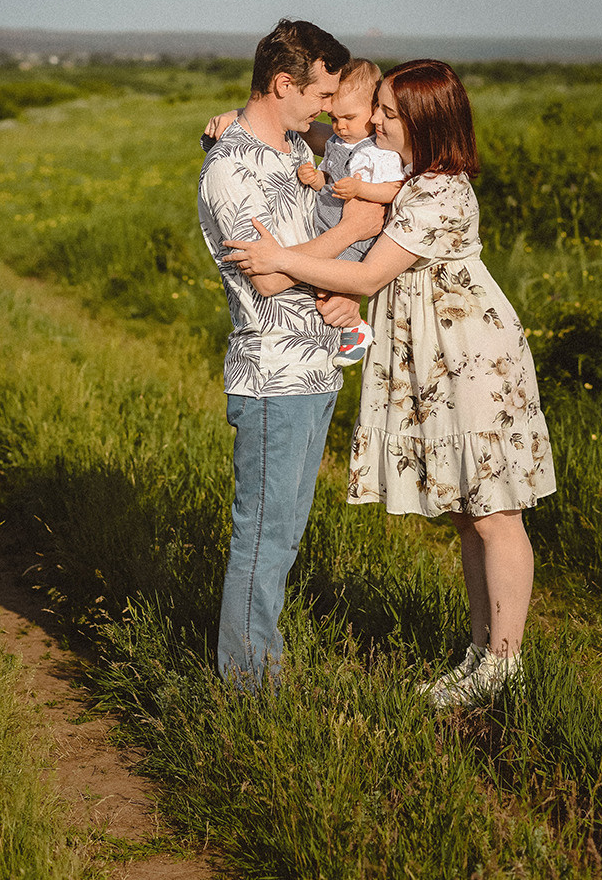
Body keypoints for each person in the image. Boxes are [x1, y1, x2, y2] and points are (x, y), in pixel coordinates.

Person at [223, 60, 556, 706]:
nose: (375, 119)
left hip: (470, 359)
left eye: (389, 113)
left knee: (494, 512)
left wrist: (278, 259)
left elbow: (370, 274)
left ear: (425, 122)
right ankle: (482, 655)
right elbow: (332, 139)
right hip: (441, 358)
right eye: (377, 107)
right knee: (469, 514)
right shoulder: (413, 179)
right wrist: (232, 120)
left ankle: (504, 663)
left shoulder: (438, 192)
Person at [197, 19, 384, 689]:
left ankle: (256, 674)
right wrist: (357, 228)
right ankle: (248, 694)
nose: (327, 109)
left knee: (284, 534)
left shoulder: (293, 146)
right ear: (283, 83)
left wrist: (349, 287)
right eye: (320, 94)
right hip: (272, 376)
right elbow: (270, 279)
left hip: (315, 367)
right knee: (263, 537)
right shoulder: (232, 168)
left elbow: (309, 236)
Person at [297, 58, 405, 367]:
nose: (340, 126)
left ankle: (355, 328)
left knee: (327, 280)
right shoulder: (336, 143)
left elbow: (393, 190)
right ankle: (334, 332)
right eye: (333, 119)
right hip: (329, 222)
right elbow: (330, 180)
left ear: (373, 111)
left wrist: (361, 189)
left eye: (349, 117)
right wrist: (316, 178)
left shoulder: (378, 153)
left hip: (357, 236)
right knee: (318, 280)